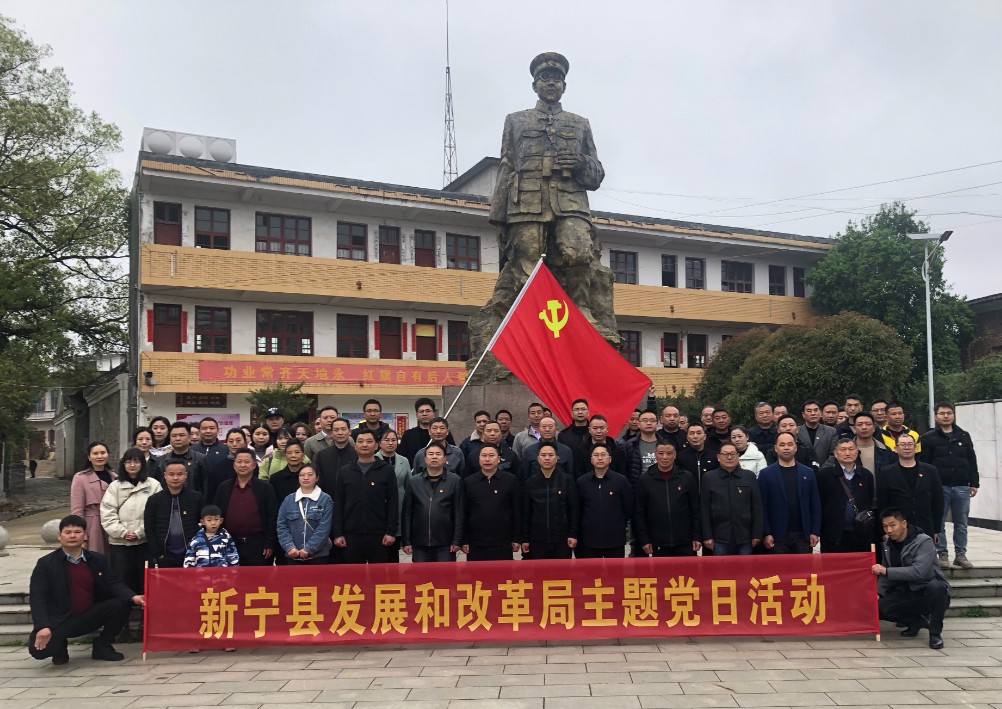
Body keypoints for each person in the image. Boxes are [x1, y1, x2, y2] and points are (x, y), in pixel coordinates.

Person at [482, 52, 613, 343]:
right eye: (545, 78)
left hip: (569, 202)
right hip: (526, 203)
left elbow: (596, 176)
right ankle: (534, 317)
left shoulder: (580, 123)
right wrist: (498, 218)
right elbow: (507, 165)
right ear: (535, 85)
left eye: (557, 79)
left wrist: (580, 163)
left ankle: (581, 308)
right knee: (526, 262)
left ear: (564, 86)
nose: (551, 84)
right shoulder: (516, 120)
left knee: (579, 253)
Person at [28, 515, 144, 665]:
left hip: (89, 615)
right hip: (61, 619)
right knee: (39, 651)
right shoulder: (46, 564)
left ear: (85, 535)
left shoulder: (96, 559)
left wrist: (133, 596)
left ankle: (102, 645)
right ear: (59, 536)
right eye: (68, 532)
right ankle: (59, 647)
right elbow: (38, 597)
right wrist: (42, 626)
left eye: (77, 532)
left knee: (122, 603)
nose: (72, 536)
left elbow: (112, 583)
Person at [872, 508, 951, 649]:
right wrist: (878, 593)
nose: (889, 530)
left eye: (892, 525)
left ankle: (935, 633)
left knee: (938, 587)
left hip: (927, 591)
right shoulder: (887, 545)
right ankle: (916, 621)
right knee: (876, 607)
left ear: (904, 523)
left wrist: (886, 571)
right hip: (905, 593)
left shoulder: (924, 541)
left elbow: (918, 572)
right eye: (885, 526)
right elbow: (885, 576)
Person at [921, 402, 980, 569]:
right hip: (940, 486)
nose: (946, 416)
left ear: (953, 415)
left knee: (961, 522)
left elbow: (971, 460)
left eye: (949, 413)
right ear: (936, 416)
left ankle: (961, 554)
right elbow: (924, 463)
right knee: (939, 522)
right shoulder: (928, 438)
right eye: (942, 413)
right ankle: (942, 553)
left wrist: (974, 483)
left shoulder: (963, 435)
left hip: (961, 485)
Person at [99, 449, 162, 595]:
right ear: (123, 464)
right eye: (128, 462)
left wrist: (140, 532)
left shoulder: (153, 485)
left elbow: (157, 514)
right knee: (122, 580)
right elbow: (107, 513)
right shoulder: (115, 486)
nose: (132, 465)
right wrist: (123, 532)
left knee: (145, 581)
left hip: (144, 542)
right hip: (120, 543)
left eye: (136, 461)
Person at [332, 430, 399, 564]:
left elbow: (393, 502)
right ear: (355, 445)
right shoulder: (346, 471)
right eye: (360, 441)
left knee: (379, 578)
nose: (364, 445)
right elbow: (338, 503)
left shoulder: (386, 470)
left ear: (376, 445)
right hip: (351, 534)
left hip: (379, 534)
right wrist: (338, 533)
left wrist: (391, 531)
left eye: (369, 441)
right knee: (353, 579)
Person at [758, 432, 822, 554]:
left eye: (790, 444)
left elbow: (815, 504)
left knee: (803, 572)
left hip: (803, 535)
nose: (786, 448)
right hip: (777, 535)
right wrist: (766, 533)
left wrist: (815, 531)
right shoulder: (765, 474)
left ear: (795, 447)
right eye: (782, 445)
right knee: (779, 572)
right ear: (776, 448)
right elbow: (762, 507)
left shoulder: (808, 473)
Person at [634, 441, 700, 557]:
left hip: (685, 542)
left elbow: (695, 509)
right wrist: (644, 539)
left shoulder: (686, 477)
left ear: (674, 455)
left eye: (669, 453)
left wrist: (697, 536)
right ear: (655, 454)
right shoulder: (645, 480)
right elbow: (639, 513)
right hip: (657, 543)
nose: (665, 457)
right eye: (661, 453)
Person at [402, 441, 465, 562]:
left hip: (445, 542)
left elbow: (459, 512)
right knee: (421, 578)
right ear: (425, 459)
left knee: (445, 579)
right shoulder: (414, 481)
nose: (434, 457)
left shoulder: (455, 481)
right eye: (430, 454)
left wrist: (457, 540)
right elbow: (407, 513)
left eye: (438, 454)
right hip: (419, 542)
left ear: (445, 458)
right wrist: (407, 541)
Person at [876, 434, 944, 545]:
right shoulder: (886, 472)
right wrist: (885, 530)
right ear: (895, 449)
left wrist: (936, 529)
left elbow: (938, 501)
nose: (907, 447)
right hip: (898, 528)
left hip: (924, 526)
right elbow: (883, 503)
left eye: (910, 444)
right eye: (902, 445)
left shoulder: (930, 471)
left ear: (915, 448)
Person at [213, 449, 278, 566]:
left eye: (247, 462)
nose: (243, 465)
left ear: (254, 465)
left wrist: (269, 543)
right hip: (229, 543)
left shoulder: (265, 488)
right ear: (234, 465)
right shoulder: (224, 487)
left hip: (258, 546)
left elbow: (272, 517)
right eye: (239, 462)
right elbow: (217, 515)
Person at [700, 443, 763, 556]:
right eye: (725, 454)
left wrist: (756, 534)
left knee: (745, 572)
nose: (729, 457)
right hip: (719, 537)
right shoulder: (709, 478)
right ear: (718, 457)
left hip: (745, 537)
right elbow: (704, 509)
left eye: (733, 454)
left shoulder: (749, 476)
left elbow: (757, 507)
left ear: (738, 456)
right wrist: (707, 536)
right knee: (720, 572)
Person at [463, 443, 521, 561]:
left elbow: (517, 511)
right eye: (484, 456)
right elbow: (464, 512)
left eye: (491, 455)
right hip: (476, 541)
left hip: (503, 541)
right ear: (478, 458)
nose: (487, 459)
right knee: (477, 577)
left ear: (498, 459)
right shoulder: (469, 482)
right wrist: (464, 540)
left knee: (503, 577)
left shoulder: (510, 480)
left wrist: (516, 538)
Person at [521, 442, 579, 559]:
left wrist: (573, 534)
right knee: (539, 574)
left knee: (561, 574)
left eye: (551, 455)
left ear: (556, 458)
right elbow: (526, 513)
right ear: (538, 458)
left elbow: (574, 509)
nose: (547, 458)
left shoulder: (567, 480)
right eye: (543, 455)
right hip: (537, 539)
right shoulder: (530, 483)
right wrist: (525, 538)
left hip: (562, 539)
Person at [576, 442, 633, 558]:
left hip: (615, 539)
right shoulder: (582, 482)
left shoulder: (621, 481)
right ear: (591, 459)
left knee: (615, 575)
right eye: (596, 455)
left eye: (603, 454)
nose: (600, 458)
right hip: (589, 540)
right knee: (591, 574)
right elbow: (578, 509)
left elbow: (628, 508)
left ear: (610, 459)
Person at [818, 439, 875, 553]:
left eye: (851, 449)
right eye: (843, 450)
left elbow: (869, 500)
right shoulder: (824, 475)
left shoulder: (866, 475)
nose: (847, 453)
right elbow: (819, 502)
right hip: (833, 535)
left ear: (857, 452)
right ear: (835, 454)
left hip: (860, 534)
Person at [145, 461, 203, 568]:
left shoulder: (196, 498)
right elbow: (149, 529)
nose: (175, 478)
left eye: (180, 474)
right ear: (165, 476)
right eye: (171, 474)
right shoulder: (154, 500)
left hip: (191, 554)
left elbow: (202, 525)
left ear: (186, 475)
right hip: (165, 555)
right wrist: (158, 553)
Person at [276, 465, 333, 564]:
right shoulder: (289, 499)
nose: (305, 478)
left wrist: (309, 549)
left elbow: (324, 528)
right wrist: (289, 547)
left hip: (318, 556)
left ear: (317, 477)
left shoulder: (325, 499)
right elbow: (281, 526)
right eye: (302, 475)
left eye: (310, 475)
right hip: (293, 555)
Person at [266, 440, 310, 562]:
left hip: (308, 532)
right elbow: (272, 508)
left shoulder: (311, 477)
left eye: (297, 452)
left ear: (303, 454)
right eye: (289, 453)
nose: (293, 456)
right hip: (284, 532)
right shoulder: (275, 479)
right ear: (285, 456)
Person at [70, 441, 117, 556]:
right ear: (89, 457)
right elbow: (77, 510)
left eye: (103, 453)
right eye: (95, 453)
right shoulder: (80, 478)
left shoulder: (115, 477)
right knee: (95, 561)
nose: (100, 456)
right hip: (92, 525)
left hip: (113, 524)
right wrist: (81, 535)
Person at [375, 429, 411, 562]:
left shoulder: (404, 461)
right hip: (378, 510)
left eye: (394, 440)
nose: (390, 443)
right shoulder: (373, 460)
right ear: (379, 443)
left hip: (399, 509)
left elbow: (408, 486)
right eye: (386, 440)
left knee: (394, 551)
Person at [156, 421, 212, 494]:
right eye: (174, 436)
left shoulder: (201, 459)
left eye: (182, 435)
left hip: (194, 503)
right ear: (169, 438)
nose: (178, 438)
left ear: (189, 438)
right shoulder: (161, 461)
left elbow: (206, 486)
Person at [400, 398, 455, 464]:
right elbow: (402, 457)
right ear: (417, 415)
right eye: (421, 411)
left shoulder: (443, 433)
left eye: (428, 411)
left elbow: (452, 454)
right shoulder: (408, 434)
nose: (424, 414)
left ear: (434, 413)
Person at [520, 416, 575, 481]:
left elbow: (571, 475)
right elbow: (524, 476)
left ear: (556, 429)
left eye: (550, 427)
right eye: (544, 427)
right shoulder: (529, 451)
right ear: (539, 429)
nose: (547, 429)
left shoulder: (566, 450)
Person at [314, 417, 358, 495]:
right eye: (336, 430)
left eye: (343, 429)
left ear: (349, 431)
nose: (340, 433)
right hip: (327, 499)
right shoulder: (322, 455)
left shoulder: (357, 454)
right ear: (331, 433)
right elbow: (318, 479)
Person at [206, 428, 249, 504]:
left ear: (245, 442)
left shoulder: (251, 465)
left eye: (238, 440)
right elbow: (212, 494)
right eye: (231, 441)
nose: (234, 444)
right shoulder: (218, 467)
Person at [623, 409, 660, 486]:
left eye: (652, 420)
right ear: (639, 424)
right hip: (638, 488)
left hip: (660, 485)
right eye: (645, 420)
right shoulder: (630, 445)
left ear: (657, 424)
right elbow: (625, 470)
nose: (648, 423)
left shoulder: (664, 444)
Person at [796, 399, 838, 465]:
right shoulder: (796, 431)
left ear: (821, 413)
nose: (813, 413)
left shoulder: (831, 432)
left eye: (816, 410)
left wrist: (823, 470)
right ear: (803, 414)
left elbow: (833, 454)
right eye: (809, 411)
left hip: (825, 471)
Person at [558, 398, 592, 475]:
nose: (580, 412)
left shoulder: (595, 433)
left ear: (588, 413)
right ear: (572, 414)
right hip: (571, 478)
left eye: (583, 409)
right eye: (576, 409)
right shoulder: (563, 435)